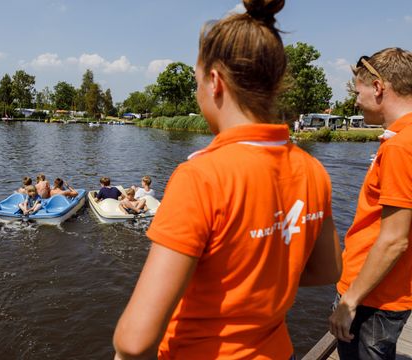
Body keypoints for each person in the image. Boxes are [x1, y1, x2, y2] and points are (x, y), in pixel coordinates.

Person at [113, 1, 342, 359]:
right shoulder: (313, 170)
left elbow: (134, 339)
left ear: (216, 82)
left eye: (197, 82)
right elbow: (327, 269)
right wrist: (256, 282)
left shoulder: (201, 177)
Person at [329, 48, 412, 359]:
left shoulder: (401, 147)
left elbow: (393, 240)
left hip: (374, 298)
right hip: (391, 290)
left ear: (378, 88)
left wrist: (350, 301)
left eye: (357, 90)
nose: (354, 99)